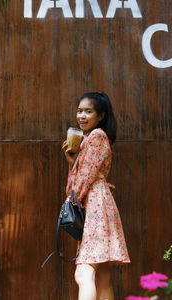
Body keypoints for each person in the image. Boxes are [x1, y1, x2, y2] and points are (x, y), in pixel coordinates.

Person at [62, 92, 130, 300]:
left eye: (88, 111)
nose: (81, 116)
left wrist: (71, 200)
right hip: (98, 203)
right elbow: (85, 172)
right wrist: (71, 160)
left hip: (95, 204)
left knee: (83, 272)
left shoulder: (96, 136)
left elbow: (85, 177)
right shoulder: (90, 139)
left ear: (101, 115)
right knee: (102, 277)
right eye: (79, 111)